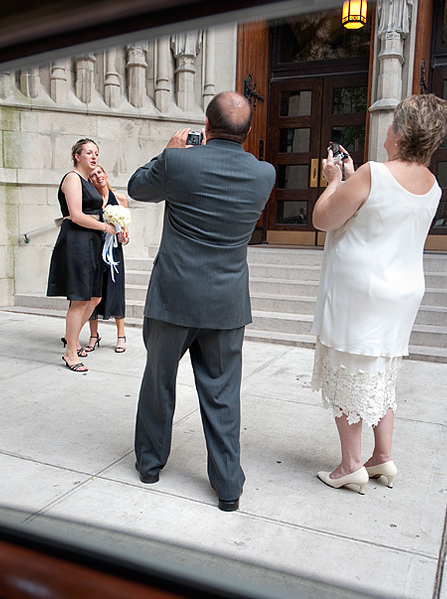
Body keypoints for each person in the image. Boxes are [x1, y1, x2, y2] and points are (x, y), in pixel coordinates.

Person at [128, 91, 276, 512]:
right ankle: (228, 488)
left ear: (206, 126)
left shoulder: (179, 162)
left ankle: (151, 466)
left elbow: (138, 188)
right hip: (226, 302)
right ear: (247, 133)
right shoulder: (264, 174)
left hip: (174, 296)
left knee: (158, 383)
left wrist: (168, 151)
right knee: (223, 393)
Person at [310, 94, 447, 494]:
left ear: (401, 132)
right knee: (381, 373)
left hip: (362, 286)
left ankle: (350, 464)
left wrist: (336, 180)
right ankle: (382, 457)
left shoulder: (373, 172)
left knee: (350, 369)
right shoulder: (432, 184)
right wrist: (353, 180)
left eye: (392, 124)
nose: (387, 130)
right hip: (404, 289)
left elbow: (324, 218)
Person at [46, 138, 119, 372]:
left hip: (92, 243)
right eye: (88, 152)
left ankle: (74, 340)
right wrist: (105, 227)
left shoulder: (88, 181)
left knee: (95, 297)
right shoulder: (72, 178)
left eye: (96, 152)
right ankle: (70, 352)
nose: (94, 156)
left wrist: (115, 223)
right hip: (77, 242)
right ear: (77, 156)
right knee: (80, 299)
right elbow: (76, 215)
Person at [85, 165, 130, 353]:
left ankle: (121, 335)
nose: (97, 177)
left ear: (105, 175)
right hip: (93, 251)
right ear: (90, 180)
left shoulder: (120, 199)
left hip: (114, 252)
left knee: (116, 290)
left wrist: (124, 238)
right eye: (93, 175)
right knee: (92, 293)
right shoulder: (89, 201)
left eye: (99, 172)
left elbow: (126, 230)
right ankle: (94, 335)